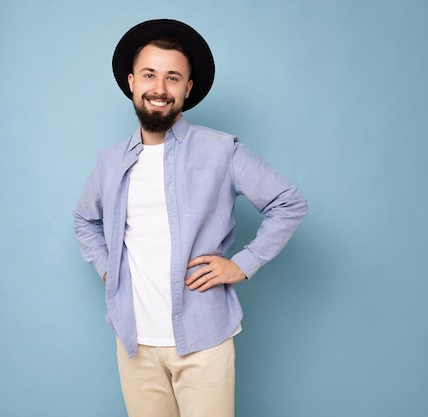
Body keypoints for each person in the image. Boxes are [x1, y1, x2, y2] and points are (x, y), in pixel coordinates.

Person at [73, 19, 307, 417]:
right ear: (132, 82)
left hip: (204, 340)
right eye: (149, 75)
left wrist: (241, 265)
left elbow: (288, 202)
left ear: (187, 89)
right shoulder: (110, 161)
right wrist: (109, 268)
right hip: (133, 343)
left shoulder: (221, 150)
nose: (159, 89)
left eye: (173, 78)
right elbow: (84, 221)